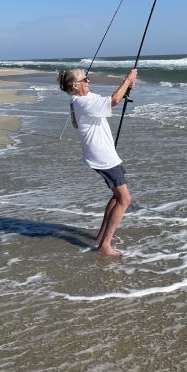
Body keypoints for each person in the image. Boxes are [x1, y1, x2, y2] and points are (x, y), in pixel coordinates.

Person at [58, 68, 137, 256]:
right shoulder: (83, 102)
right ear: (75, 86)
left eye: (88, 77)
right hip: (103, 156)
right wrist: (127, 79)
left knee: (117, 196)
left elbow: (111, 100)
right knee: (124, 199)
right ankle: (105, 246)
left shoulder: (84, 98)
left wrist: (126, 87)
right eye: (84, 79)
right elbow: (113, 101)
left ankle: (102, 236)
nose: (88, 80)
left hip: (101, 154)